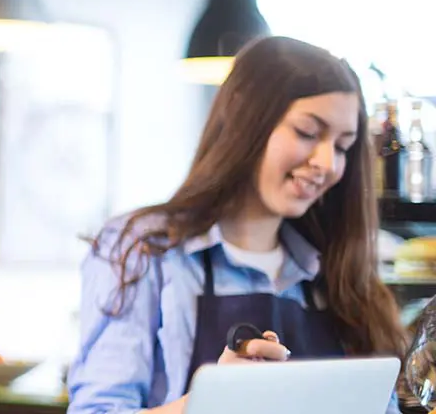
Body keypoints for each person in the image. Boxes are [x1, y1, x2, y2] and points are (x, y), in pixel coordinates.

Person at [67, 36, 407, 414]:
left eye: (342, 146)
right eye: (308, 133)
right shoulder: (143, 250)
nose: (327, 163)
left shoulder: (338, 273)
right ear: (247, 121)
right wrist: (212, 403)